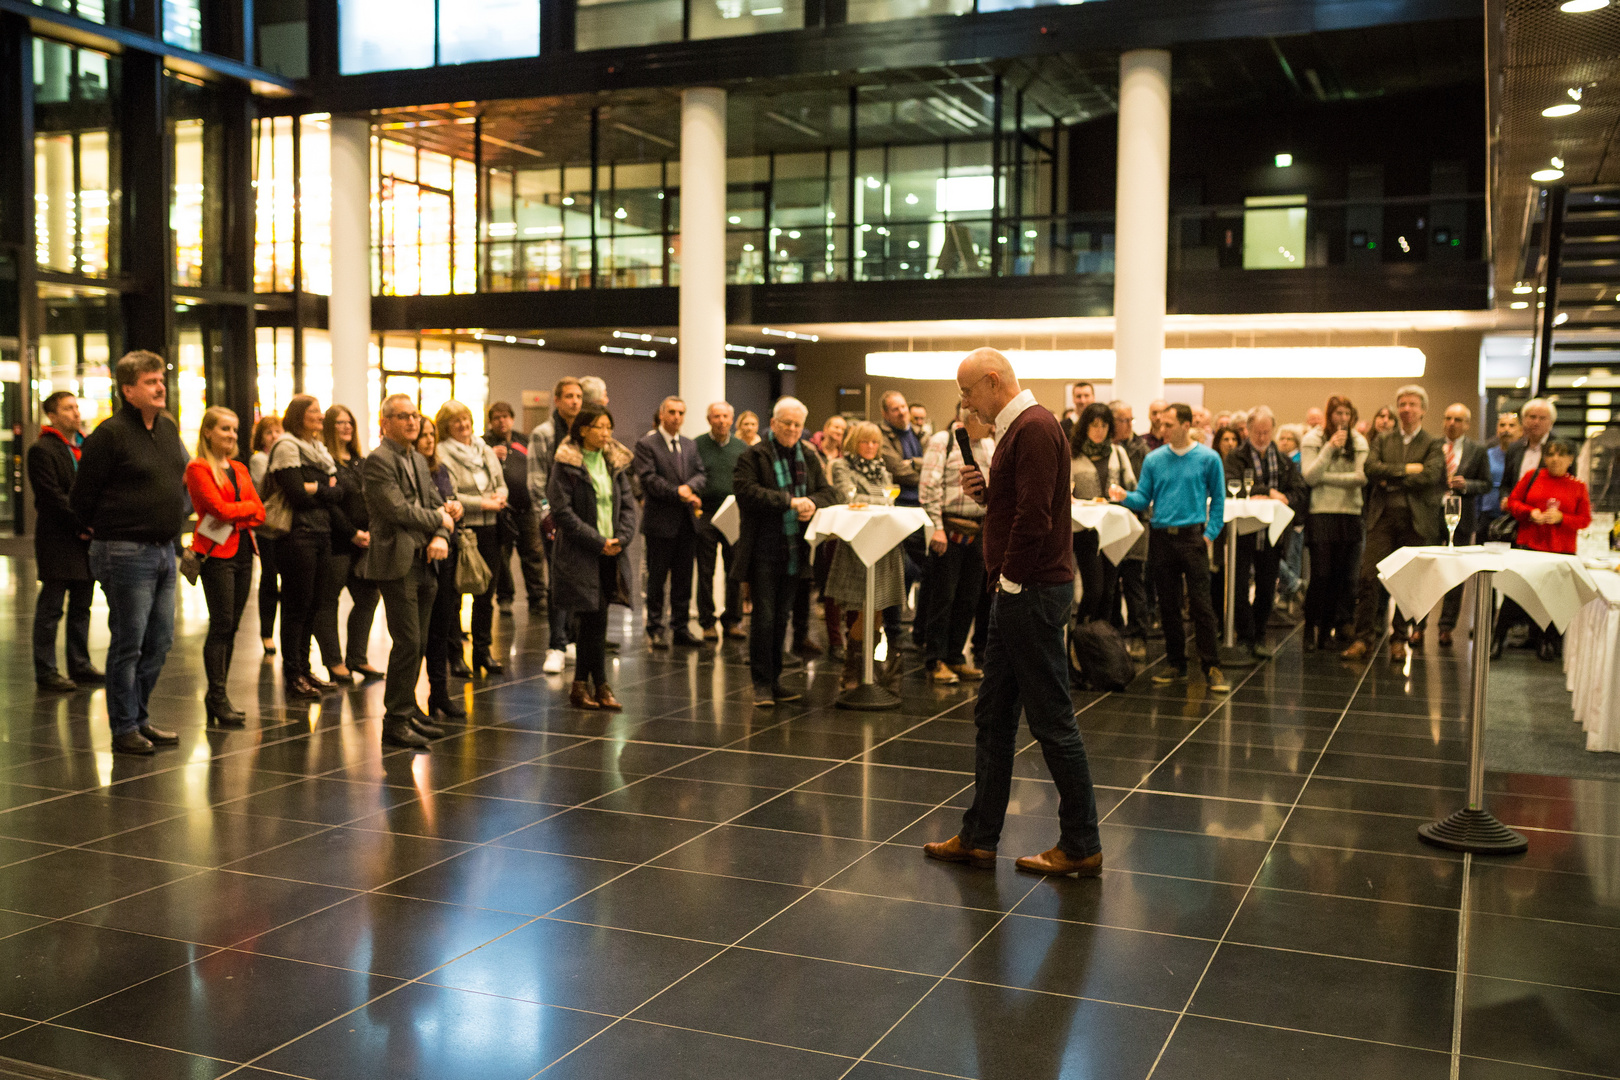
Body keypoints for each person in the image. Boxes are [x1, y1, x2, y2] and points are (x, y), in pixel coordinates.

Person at [923, 348, 1104, 877]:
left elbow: (1035, 517)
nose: (964, 403)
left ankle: (1081, 843)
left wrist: (1010, 580)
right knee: (993, 717)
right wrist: (989, 493)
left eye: (966, 391)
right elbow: (1017, 505)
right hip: (1017, 591)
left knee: (1052, 721)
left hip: (1030, 591)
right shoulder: (1019, 429)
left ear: (993, 381)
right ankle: (980, 836)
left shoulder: (1034, 427)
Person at [69, 350, 190, 755]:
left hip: (162, 550)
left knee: (160, 641)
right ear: (128, 390)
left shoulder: (168, 429)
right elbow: (82, 495)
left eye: (161, 380)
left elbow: (181, 478)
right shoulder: (110, 434)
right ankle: (123, 727)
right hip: (124, 551)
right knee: (130, 642)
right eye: (151, 382)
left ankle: (138, 717)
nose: (160, 387)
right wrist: (101, 529)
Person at [361, 395, 457, 748]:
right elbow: (397, 510)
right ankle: (395, 720)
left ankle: (409, 709)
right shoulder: (377, 461)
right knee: (408, 641)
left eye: (415, 415)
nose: (412, 422)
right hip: (396, 562)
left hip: (425, 560)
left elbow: (435, 504)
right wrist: (440, 519)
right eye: (403, 417)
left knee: (419, 641)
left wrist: (442, 530)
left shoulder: (417, 457)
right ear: (385, 423)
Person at [732, 397, 836, 706]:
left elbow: (830, 492)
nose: (792, 429)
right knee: (763, 619)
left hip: (796, 551)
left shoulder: (808, 455)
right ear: (774, 424)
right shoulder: (754, 455)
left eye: (797, 424)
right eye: (786, 423)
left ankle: (775, 680)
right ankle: (761, 684)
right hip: (764, 549)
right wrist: (789, 502)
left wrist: (813, 503)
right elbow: (747, 492)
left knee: (781, 619)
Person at [1121, 403, 1229, 692]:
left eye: (1169, 424)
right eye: (1162, 424)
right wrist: (1123, 496)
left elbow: (1218, 500)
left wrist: (1210, 533)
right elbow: (1144, 498)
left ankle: (1212, 665)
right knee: (1167, 604)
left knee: (1201, 604)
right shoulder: (1155, 459)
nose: (1162, 429)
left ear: (1186, 424)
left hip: (1193, 536)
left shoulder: (1209, 458)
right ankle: (1176, 662)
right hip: (1161, 537)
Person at [1342, 385, 1444, 662]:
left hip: (1416, 520)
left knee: (1406, 580)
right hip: (1382, 517)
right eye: (1402, 404)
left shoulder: (1433, 443)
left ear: (1423, 409)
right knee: (1368, 577)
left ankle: (1399, 638)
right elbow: (1372, 469)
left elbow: (1432, 475)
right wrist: (1409, 470)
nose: (1406, 409)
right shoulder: (1383, 440)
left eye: (1412, 404)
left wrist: (1393, 478)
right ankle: (1363, 638)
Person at [549, 405, 638, 710]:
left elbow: (628, 506)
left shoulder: (613, 461)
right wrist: (597, 541)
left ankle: (586, 686)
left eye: (609, 427)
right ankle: (595, 685)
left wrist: (620, 539)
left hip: (610, 552)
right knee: (589, 620)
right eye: (600, 427)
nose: (606, 434)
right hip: (580, 553)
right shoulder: (566, 463)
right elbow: (562, 511)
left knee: (598, 620)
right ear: (583, 429)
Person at [184, 407, 266, 727]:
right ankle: (216, 696)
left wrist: (239, 511)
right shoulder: (198, 468)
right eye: (224, 429)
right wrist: (243, 510)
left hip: (244, 551)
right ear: (208, 432)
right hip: (216, 553)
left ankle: (219, 694)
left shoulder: (240, 469)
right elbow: (217, 509)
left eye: (234, 429)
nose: (232, 435)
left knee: (232, 627)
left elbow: (259, 512)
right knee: (221, 624)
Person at [268, 394, 343, 699]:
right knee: (296, 607)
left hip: (321, 532)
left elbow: (343, 490)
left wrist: (318, 488)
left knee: (314, 604)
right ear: (299, 415)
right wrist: (324, 489)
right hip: (296, 536)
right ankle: (292, 674)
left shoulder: (318, 450)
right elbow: (297, 494)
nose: (320, 417)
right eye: (314, 412)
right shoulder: (286, 446)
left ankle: (305, 668)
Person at [28, 391, 100, 692]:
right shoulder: (42, 449)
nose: (75, 413)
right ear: (52, 415)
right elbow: (51, 497)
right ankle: (46, 670)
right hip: (59, 538)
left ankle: (79, 664)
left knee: (83, 605)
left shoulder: (86, 446)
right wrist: (82, 524)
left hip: (85, 539)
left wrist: (93, 524)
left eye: (76, 407)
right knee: (52, 606)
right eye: (68, 408)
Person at [827, 421, 907, 690]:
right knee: (863, 607)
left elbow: (887, 500)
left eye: (875, 442)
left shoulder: (881, 468)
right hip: (857, 545)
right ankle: (852, 671)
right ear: (853, 443)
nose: (871, 447)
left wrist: (876, 501)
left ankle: (867, 669)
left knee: (878, 609)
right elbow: (849, 498)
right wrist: (880, 502)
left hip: (885, 543)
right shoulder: (841, 466)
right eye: (865, 442)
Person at [1220, 407, 1306, 658]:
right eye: (1257, 432)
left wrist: (1283, 499)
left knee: (1267, 586)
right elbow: (1230, 484)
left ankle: (1259, 634)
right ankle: (1245, 635)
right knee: (1237, 585)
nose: (1261, 437)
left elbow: (1298, 493)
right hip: (1242, 532)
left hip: (1273, 532)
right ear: (1247, 430)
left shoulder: (1283, 461)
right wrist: (1268, 492)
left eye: (1267, 432)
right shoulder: (1235, 457)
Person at [919, 406, 994, 683]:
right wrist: (936, 529)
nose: (989, 422)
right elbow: (929, 488)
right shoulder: (942, 440)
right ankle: (935, 659)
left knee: (969, 597)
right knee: (943, 597)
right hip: (949, 529)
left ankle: (955, 657)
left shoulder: (988, 445)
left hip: (978, 531)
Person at [1500, 438, 1590, 660]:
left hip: (1560, 550)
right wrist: (1531, 513)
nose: (1555, 459)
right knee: (1515, 595)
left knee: (1555, 599)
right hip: (1529, 545)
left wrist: (1562, 518)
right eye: (1550, 454)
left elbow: (1584, 519)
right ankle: (1496, 640)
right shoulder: (1532, 476)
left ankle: (1548, 643)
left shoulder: (1578, 486)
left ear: (1571, 459)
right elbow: (1512, 502)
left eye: (1561, 455)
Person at [438, 399, 508, 676]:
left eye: (466, 419)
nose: (463, 425)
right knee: (456, 593)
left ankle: (483, 651)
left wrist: (501, 495)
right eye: (456, 421)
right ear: (446, 426)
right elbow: (450, 494)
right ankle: (455, 654)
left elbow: (500, 481)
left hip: (492, 528)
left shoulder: (484, 449)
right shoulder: (442, 454)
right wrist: (483, 503)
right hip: (465, 528)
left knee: (485, 592)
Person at [313, 404, 382, 683]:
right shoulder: (324, 462)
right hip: (337, 541)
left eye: (349, 422)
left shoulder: (360, 462)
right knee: (328, 601)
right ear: (329, 427)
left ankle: (358, 657)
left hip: (364, 541)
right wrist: (351, 531)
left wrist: (369, 532)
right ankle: (334, 661)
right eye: (340, 422)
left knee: (368, 597)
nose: (346, 427)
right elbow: (330, 505)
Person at [634, 396, 707, 649]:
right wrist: (678, 492)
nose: (677, 417)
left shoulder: (689, 445)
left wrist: (689, 488)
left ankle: (680, 627)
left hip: (686, 523)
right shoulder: (647, 444)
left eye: (681, 413)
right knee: (657, 579)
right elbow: (648, 479)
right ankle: (655, 627)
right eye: (672, 412)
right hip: (660, 522)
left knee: (683, 579)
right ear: (662, 414)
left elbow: (700, 473)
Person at [1300, 396, 1368, 651]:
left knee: (1339, 578)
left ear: (1352, 417)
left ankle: (1326, 632)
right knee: (1320, 575)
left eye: (1346, 414)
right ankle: (1309, 628)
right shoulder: (1313, 439)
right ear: (1329, 416)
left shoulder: (1359, 441)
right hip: (1321, 513)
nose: (1342, 418)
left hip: (1349, 513)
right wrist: (1329, 448)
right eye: (1337, 413)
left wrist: (1325, 478)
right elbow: (1309, 476)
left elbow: (1361, 477)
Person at [1494, 401, 1560, 654]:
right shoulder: (1515, 449)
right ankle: (1502, 635)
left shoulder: (1560, 448)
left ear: (1550, 422)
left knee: (1546, 584)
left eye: (1541, 417)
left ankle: (1543, 638)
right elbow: (1507, 483)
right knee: (1514, 582)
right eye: (1530, 416)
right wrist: (1506, 497)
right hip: (1519, 523)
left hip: (1547, 527)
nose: (1534, 421)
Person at [413, 417, 467, 720]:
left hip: (447, 549)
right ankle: (411, 698)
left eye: (432, 434)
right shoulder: (411, 471)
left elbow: (448, 500)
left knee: (442, 627)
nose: (429, 440)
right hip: (422, 553)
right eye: (423, 435)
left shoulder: (440, 469)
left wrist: (456, 507)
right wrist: (441, 515)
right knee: (418, 633)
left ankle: (440, 693)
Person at [530, 376, 584, 675]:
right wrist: (548, 515)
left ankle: (572, 639)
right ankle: (556, 644)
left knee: (580, 580)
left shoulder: (584, 432)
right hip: (554, 519)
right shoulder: (544, 433)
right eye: (568, 396)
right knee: (559, 581)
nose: (574, 401)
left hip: (581, 519)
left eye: (578, 396)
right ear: (557, 400)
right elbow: (536, 481)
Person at [1070, 402, 1133, 624]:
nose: (1099, 430)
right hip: (1085, 529)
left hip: (1113, 526)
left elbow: (1132, 488)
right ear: (1085, 427)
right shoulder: (1073, 455)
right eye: (1094, 425)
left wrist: (1123, 493)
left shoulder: (1118, 452)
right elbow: (1066, 492)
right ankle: (1082, 635)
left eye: (1104, 425)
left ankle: (1100, 642)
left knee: (1110, 591)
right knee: (1094, 590)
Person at [1436, 403, 1492, 647]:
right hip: (1432, 513)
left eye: (1458, 419)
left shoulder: (1477, 450)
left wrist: (1467, 484)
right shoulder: (1433, 446)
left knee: (1454, 573)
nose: (1452, 423)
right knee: (1429, 570)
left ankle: (1446, 626)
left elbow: (1487, 484)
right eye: (1448, 418)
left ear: (1467, 424)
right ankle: (1417, 626)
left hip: (1460, 515)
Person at [695, 401, 747, 642]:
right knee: (706, 570)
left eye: (726, 416)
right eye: (716, 416)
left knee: (733, 570)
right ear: (709, 420)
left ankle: (732, 621)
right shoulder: (697, 445)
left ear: (732, 419)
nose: (722, 421)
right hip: (705, 513)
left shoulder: (741, 447)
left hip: (733, 514)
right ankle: (707, 622)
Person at [486, 401, 544, 615]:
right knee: (502, 558)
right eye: (496, 418)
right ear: (490, 422)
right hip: (501, 510)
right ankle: (505, 599)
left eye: (505, 417)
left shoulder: (524, 441)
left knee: (533, 555)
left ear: (512, 418)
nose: (501, 421)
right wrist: (491, 454)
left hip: (526, 508)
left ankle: (538, 598)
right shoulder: (484, 444)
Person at [1109, 400, 1152, 658]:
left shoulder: (1141, 449)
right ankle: (1113, 635)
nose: (1128, 425)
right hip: (1111, 522)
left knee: (1134, 581)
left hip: (1136, 520)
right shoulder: (1104, 449)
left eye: (1130, 420)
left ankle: (1138, 637)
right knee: (1110, 584)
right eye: (1123, 420)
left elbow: (1143, 489)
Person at [248, 416, 284, 656]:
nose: (273, 436)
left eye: (277, 431)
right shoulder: (259, 459)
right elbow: (268, 487)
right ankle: (267, 633)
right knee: (269, 578)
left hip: (286, 527)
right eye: (268, 432)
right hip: (269, 526)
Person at [1478, 411, 1522, 539]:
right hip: (1487, 513)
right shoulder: (1487, 454)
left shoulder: (1523, 456)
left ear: (1520, 431)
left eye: (1511, 425)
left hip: (1514, 515)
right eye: (1502, 425)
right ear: (1497, 429)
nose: (1506, 429)